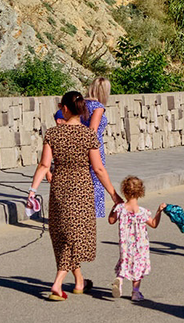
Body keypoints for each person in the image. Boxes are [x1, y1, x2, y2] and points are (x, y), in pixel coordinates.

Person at [28, 91, 122, 301]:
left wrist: (32, 191)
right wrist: (114, 195)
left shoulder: (53, 133)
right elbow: (98, 169)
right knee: (75, 236)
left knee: (64, 235)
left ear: (66, 108)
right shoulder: (88, 135)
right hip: (81, 190)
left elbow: (44, 165)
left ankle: (79, 281)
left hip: (59, 189)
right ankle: (58, 282)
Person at [54, 77, 110, 218]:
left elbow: (61, 114)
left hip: (76, 144)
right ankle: (91, 214)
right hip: (92, 146)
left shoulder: (81, 103)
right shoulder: (98, 107)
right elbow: (93, 130)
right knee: (95, 179)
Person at [108, 175, 164, 302]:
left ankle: (120, 279)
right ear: (140, 192)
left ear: (124, 191)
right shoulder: (142, 212)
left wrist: (114, 207)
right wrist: (159, 211)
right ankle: (135, 292)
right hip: (140, 245)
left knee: (124, 261)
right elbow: (154, 224)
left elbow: (111, 220)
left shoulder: (120, 208)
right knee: (137, 266)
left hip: (125, 244)